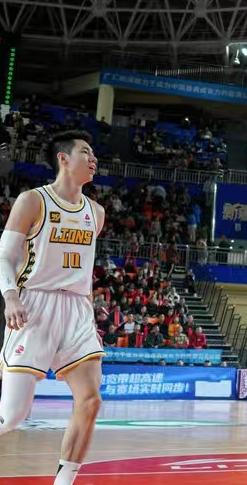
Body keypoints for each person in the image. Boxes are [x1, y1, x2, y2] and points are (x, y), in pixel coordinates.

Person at [1, 130, 106, 485]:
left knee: (90, 401)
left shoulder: (97, 212)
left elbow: (84, 267)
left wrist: (89, 307)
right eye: (85, 151)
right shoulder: (33, 201)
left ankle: (64, 482)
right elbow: (6, 255)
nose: (93, 158)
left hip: (77, 309)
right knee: (12, 417)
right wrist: (10, 295)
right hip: (34, 304)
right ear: (63, 158)